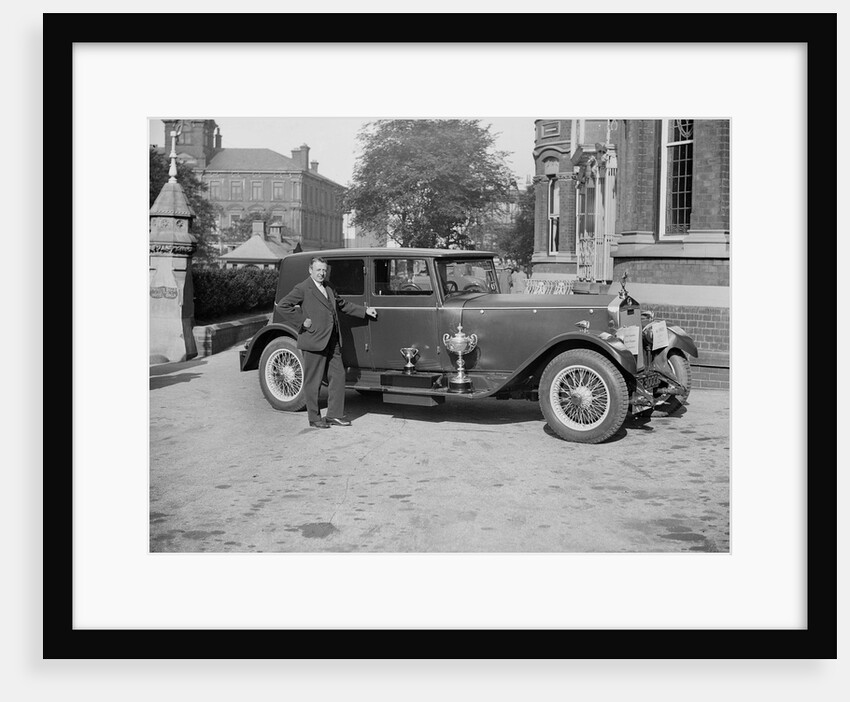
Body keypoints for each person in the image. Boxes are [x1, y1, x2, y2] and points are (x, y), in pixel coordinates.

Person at [277, 257, 378, 428]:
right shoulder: (303, 288)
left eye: (324, 270)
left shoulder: (329, 286)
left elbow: (342, 304)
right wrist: (302, 321)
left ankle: (334, 416)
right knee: (313, 382)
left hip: (333, 340)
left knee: (338, 377)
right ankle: (314, 418)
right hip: (314, 340)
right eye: (318, 270)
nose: (322, 273)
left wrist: (364, 311)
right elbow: (283, 306)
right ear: (310, 270)